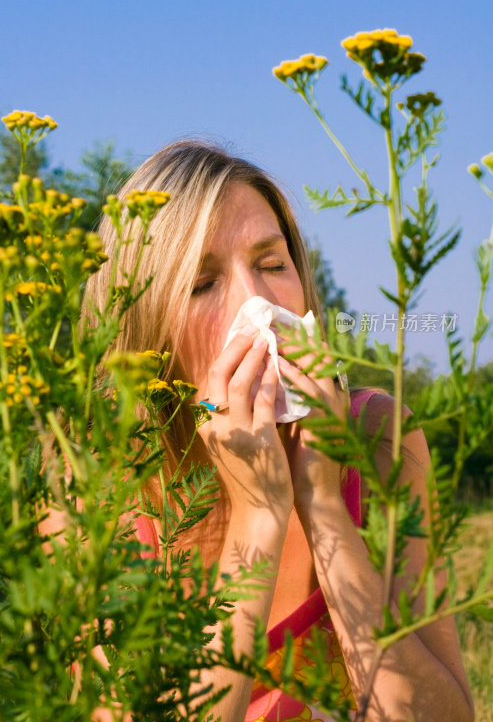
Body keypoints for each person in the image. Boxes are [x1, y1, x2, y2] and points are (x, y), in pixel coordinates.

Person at [83, 139, 474, 722]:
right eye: (200, 283)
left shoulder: (378, 437)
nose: (257, 302)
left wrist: (320, 500)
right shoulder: (92, 479)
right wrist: (258, 516)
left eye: (272, 265)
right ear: (145, 328)